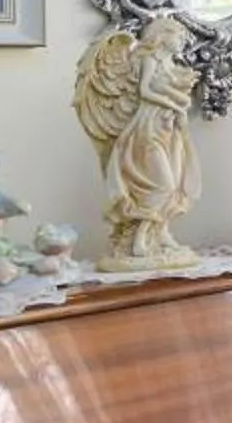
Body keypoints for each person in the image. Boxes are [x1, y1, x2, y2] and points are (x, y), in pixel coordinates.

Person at [72, 18, 201, 273]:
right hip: (147, 128)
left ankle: (160, 233)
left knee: (173, 185)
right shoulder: (148, 58)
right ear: (163, 36)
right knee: (161, 183)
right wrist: (175, 103)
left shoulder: (170, 63)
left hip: (169, 130)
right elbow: (144, 91)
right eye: (179, 37)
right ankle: (140, 235)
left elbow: (175, 93)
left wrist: (180, 103)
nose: (182, 43)